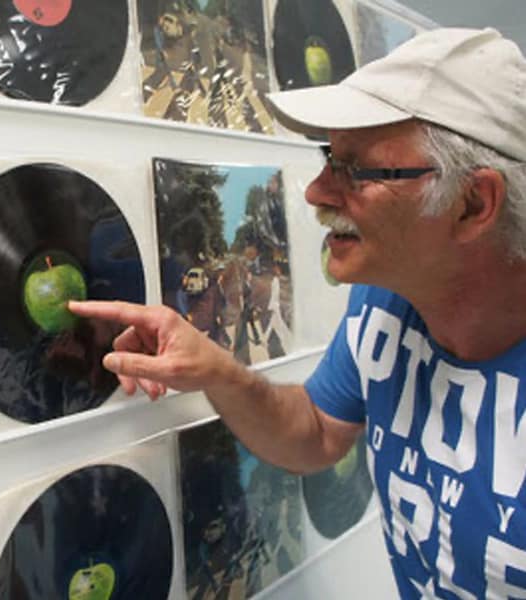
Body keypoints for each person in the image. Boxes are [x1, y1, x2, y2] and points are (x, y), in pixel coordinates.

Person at [70, 28, 526, 599]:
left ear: (473, 203)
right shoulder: (388, 301)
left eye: (357, 170)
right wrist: (215, 368)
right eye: (328, 158)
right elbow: (314, 434)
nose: (315, 192)